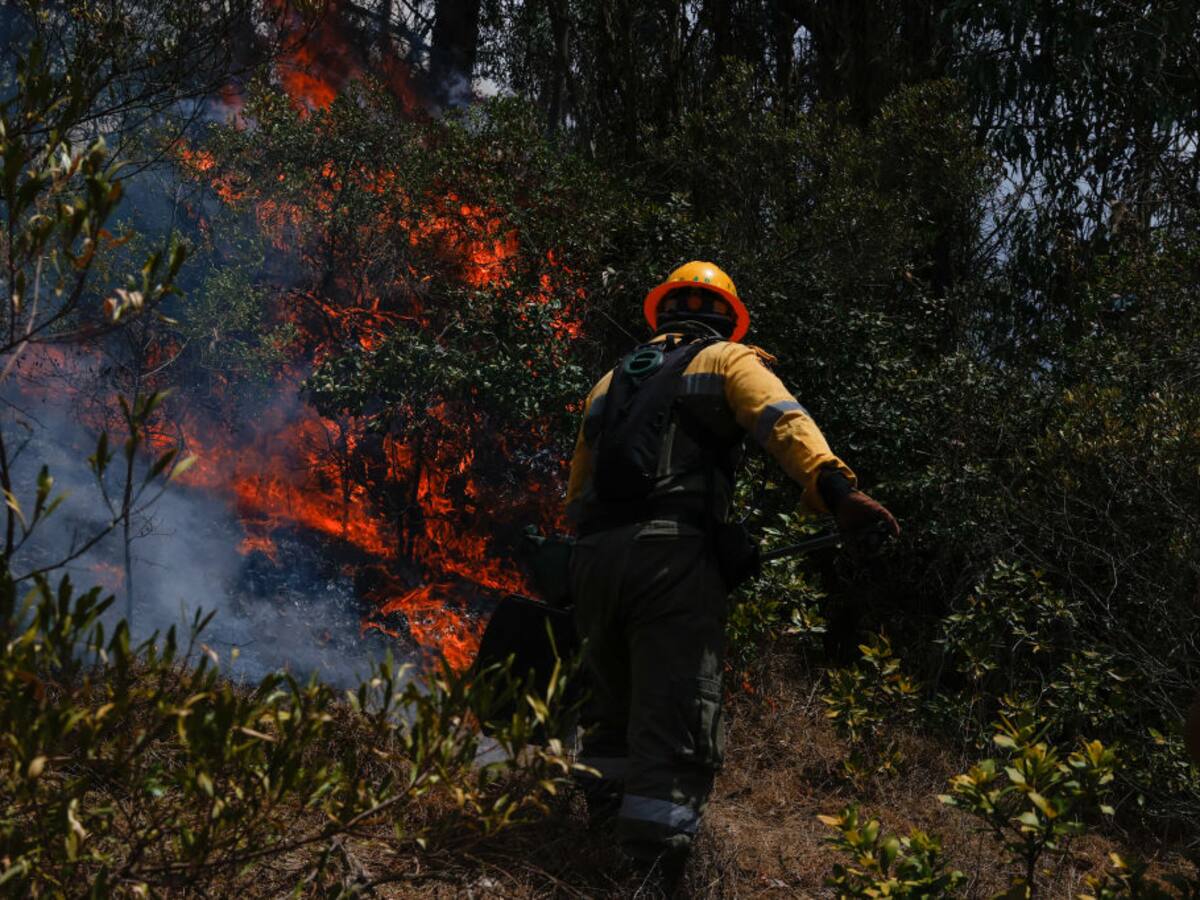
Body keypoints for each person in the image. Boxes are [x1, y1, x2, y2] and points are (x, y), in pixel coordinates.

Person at [564, 260, 899, 888]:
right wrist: (836, 491)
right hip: (671, 558)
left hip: (594, 560)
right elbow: (782, 422)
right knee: (677, 707)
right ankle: (650, 874)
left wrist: (590, 567)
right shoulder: (727, 360)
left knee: (609, 710)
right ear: (727, 318)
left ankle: (596, 842)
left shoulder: (608, 383)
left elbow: (578, 488)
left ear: (663, 311)